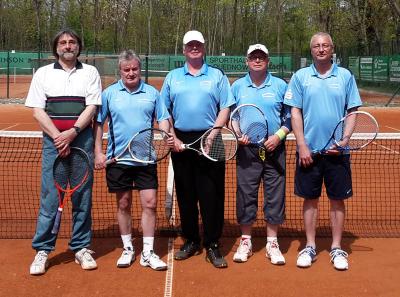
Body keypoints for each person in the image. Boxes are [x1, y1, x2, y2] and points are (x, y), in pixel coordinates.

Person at [26, 29, 102, 275]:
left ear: (78, 46)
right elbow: (38, 110)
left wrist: (73, 132)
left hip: (82, 140)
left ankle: (80, 247)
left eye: (72, 42)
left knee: (82, 196)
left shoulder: (90, 72)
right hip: (52, 143)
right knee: (50, 198)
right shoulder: (43, 73)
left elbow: (92, 106)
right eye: (63, 42)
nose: (68, 46)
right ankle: (43, 249)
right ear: (56, 47)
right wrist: (58, 137)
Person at [284, 32, 362, 270]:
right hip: (309, 151)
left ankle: (337, 248)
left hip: (338, 152)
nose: (321, 49)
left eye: (325, 45)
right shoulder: (300, 76)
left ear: (332, 49)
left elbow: (352, 110)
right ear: (311, 50)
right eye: (316, 46)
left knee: (337, 200)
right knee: (310, 200)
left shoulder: (345, 76)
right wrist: (302, 144)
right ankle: (309, 246)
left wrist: (344, 139)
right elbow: (294, 112)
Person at [160, 30, 235, 268]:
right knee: (186, 194)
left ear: (204, 48)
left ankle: (212, 244)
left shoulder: (217, 76)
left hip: (211, 138)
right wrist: (171, 137)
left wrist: (214, 132)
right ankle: (191, 240)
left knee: (212, 195)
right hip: (181, 141)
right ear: (184, 49)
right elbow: (164, 113)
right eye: (190, 45)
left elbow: (226, 107)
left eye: (198, 45)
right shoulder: (173, 77)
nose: (194, 48)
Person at [94, 50, 172, 271]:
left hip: (146, 159)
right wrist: (98, 153)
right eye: (126, 70)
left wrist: (166, 133)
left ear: (140, 69)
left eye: (134, 69)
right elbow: (98, 124)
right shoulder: (109, 94)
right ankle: (128, 248)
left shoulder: (152, 93)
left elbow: (163, 119)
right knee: (123, 203)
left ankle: (148, 251)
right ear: (120, 71)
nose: (131, 73)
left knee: (150, 203)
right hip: (118, 159)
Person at [231, 44, 290, 265]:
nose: (257, 60)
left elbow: (289, 117)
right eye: (253, 57)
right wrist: (238, 135)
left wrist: (279, 136)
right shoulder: (237, 86)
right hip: (248, 150)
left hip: (275, 148)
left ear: (268, 61)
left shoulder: (280, 86)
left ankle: (272, 243)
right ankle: (246, 240)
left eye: (261, 57)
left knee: (275, 194)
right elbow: (234, 117)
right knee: (246, 194)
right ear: (247, 61)